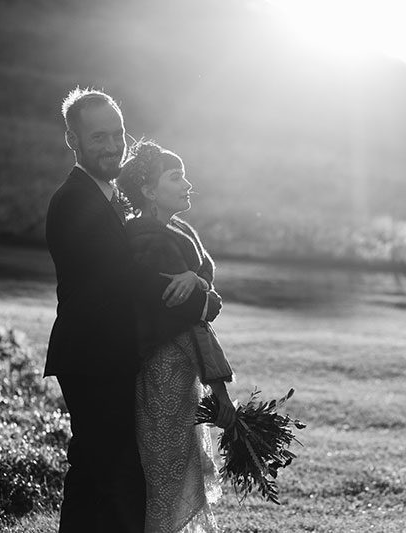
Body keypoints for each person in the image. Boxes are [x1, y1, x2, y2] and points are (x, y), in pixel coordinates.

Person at [44, 88, 222, 533]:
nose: (111, 145)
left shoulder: (109, 198)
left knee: (108, 471)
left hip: (113, 354)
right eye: (98, 136)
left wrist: (198, 284)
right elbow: (125, 278)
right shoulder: (75, 201)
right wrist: (202, 297)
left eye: (118, 134)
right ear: (74, 141)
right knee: (103, 470)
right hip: (92, 356)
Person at [117, 140, 237, 533]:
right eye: (175, 176)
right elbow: (199, 316)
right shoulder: (150, 243)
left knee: (172, 479)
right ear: (149, 190)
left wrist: (197, 280)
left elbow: (204, 281)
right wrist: (221, 396)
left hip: (179, 382)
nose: (187, 183)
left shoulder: (175, 232)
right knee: (163, 488)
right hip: (162, 380)